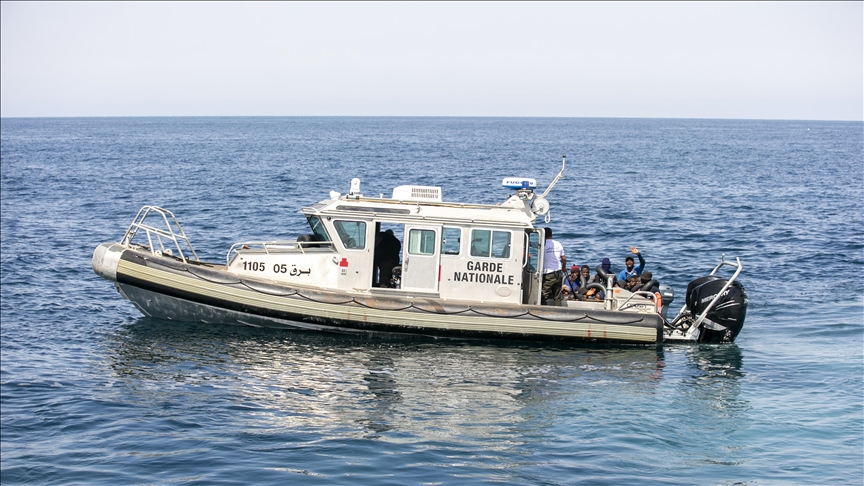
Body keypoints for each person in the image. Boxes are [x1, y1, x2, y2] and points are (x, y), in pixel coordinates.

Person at [541, 227, 566, 306]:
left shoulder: (543, 244)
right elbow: (563, 258)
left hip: (548, 273)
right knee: (557, 296)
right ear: (551, 234)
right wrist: (564, 267)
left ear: (543, 234)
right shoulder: (558, 244)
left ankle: (543, 310)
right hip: (558, 273)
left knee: (544, 294)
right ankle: (558, 311)